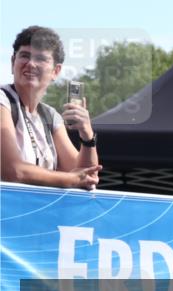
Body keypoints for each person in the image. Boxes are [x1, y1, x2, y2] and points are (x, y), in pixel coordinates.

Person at [1, 26, 101, 189]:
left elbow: (87, 175)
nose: (31, 64)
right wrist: (71, 180)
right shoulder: (2, 101)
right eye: (24, 56)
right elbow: (13, 171)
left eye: (40, 58)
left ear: (56, 71)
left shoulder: (49, 116)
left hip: (37, 212)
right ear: (13, 62)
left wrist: (87, 135)